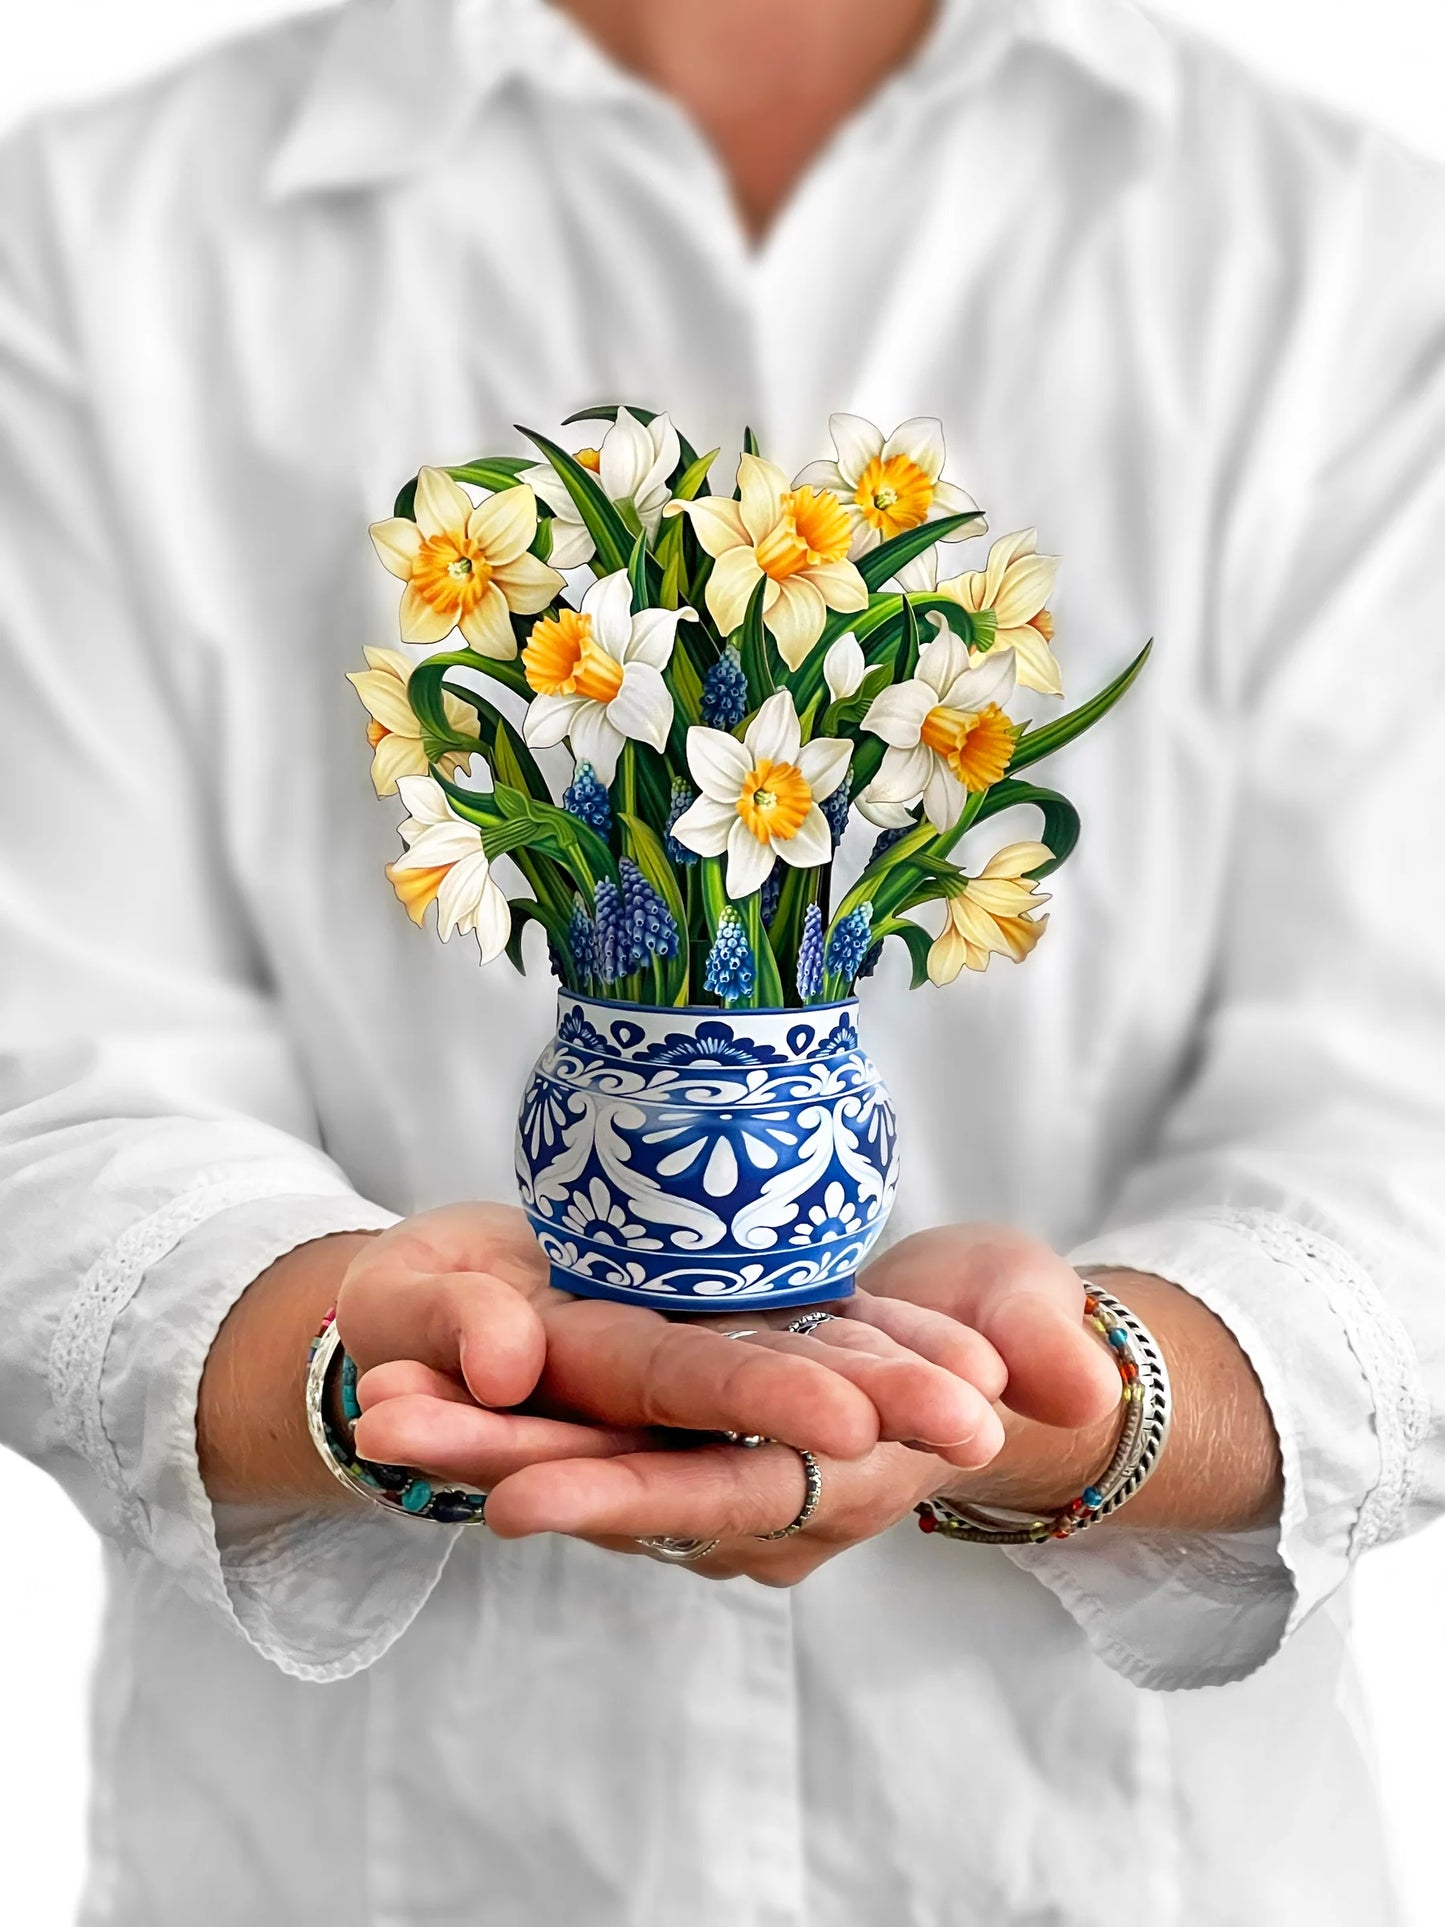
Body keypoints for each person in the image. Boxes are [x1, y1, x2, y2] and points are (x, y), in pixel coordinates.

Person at [1, 0, 1442, 1920]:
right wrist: (345, 1364)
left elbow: (1408, 1100)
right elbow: (52, 1080)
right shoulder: (97, 240)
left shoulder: (1340, 253)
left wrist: (1101, 1403)